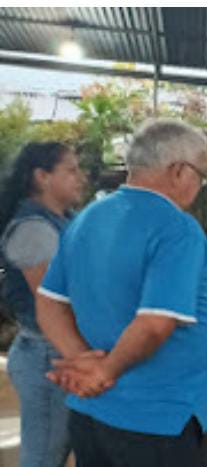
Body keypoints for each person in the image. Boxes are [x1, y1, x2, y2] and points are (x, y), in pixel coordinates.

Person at [35, 119, 207, 467]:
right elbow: (155, 324)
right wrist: (103, 372)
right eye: (201, 175)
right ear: (179, 170)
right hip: (156, 420)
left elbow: (49, 301)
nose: (200, 187)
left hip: (95, 412)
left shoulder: (88, 218)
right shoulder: (177, 228)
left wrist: (83, 362)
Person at [0, 142, 84, 467]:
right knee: (43, 457)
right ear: (42, 177)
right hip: (48, 354)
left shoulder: (65, 220)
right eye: (71, 170)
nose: (81, 178)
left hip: (58, 350)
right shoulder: (33, 229)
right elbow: (53, 303)